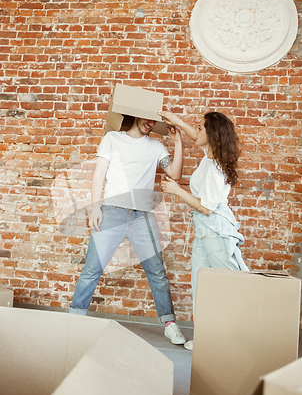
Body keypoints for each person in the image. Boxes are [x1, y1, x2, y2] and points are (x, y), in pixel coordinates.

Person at [69, 116, 186, 345]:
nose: (150, 124)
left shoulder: (156, 147)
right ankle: (75, 322)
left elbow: (175, 174)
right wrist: (95, 207)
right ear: (136, 115)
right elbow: (99, 174)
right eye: (147, 119)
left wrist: (178, 141)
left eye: (154, 121)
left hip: (142, 216)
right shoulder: (112, 139)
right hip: (112, 212)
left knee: (157, 273)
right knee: (92, 270)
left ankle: (170, 325)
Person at [160, 110, 248, 351]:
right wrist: (177, 122)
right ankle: (207, 338)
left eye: (200, 128)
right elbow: (194, 136)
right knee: (201, 285)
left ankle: (243, 336)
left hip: (216, 231)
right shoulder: (211, 156)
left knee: (230, 284)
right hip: (204, 231)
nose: (195, 131)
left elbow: (207, 208)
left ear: (212, 135)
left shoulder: (214, 168)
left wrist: (177, 191)